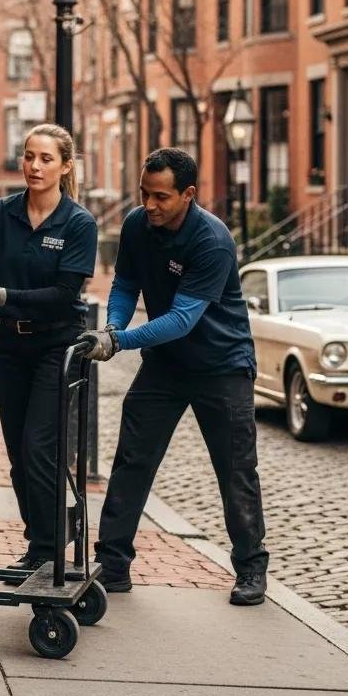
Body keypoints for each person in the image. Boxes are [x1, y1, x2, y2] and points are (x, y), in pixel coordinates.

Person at [83, 147, 269, 606]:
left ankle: (250, 568)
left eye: (161, 197)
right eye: (144, 194)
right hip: (165, 365)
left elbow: (184, 318)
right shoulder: (135, 225)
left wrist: (120, 343)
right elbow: (125, 285)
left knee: (235, 471)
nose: (150, 205)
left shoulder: (212, 240)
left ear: (188, 194)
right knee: (132, 458)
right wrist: (112, 327)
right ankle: (114, 563)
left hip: (221, 367)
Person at [0, 124, 98, 574]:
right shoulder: (2, 214)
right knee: (17, 455)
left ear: (65, 166)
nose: (34, 166)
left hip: (56, 345)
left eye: (45, 158)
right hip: (9, 347)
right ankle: (42, 538)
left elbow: (65, 295)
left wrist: (1, 296)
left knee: (39, 447)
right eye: (28, 156)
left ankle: (47, 551)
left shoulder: (78, 223)